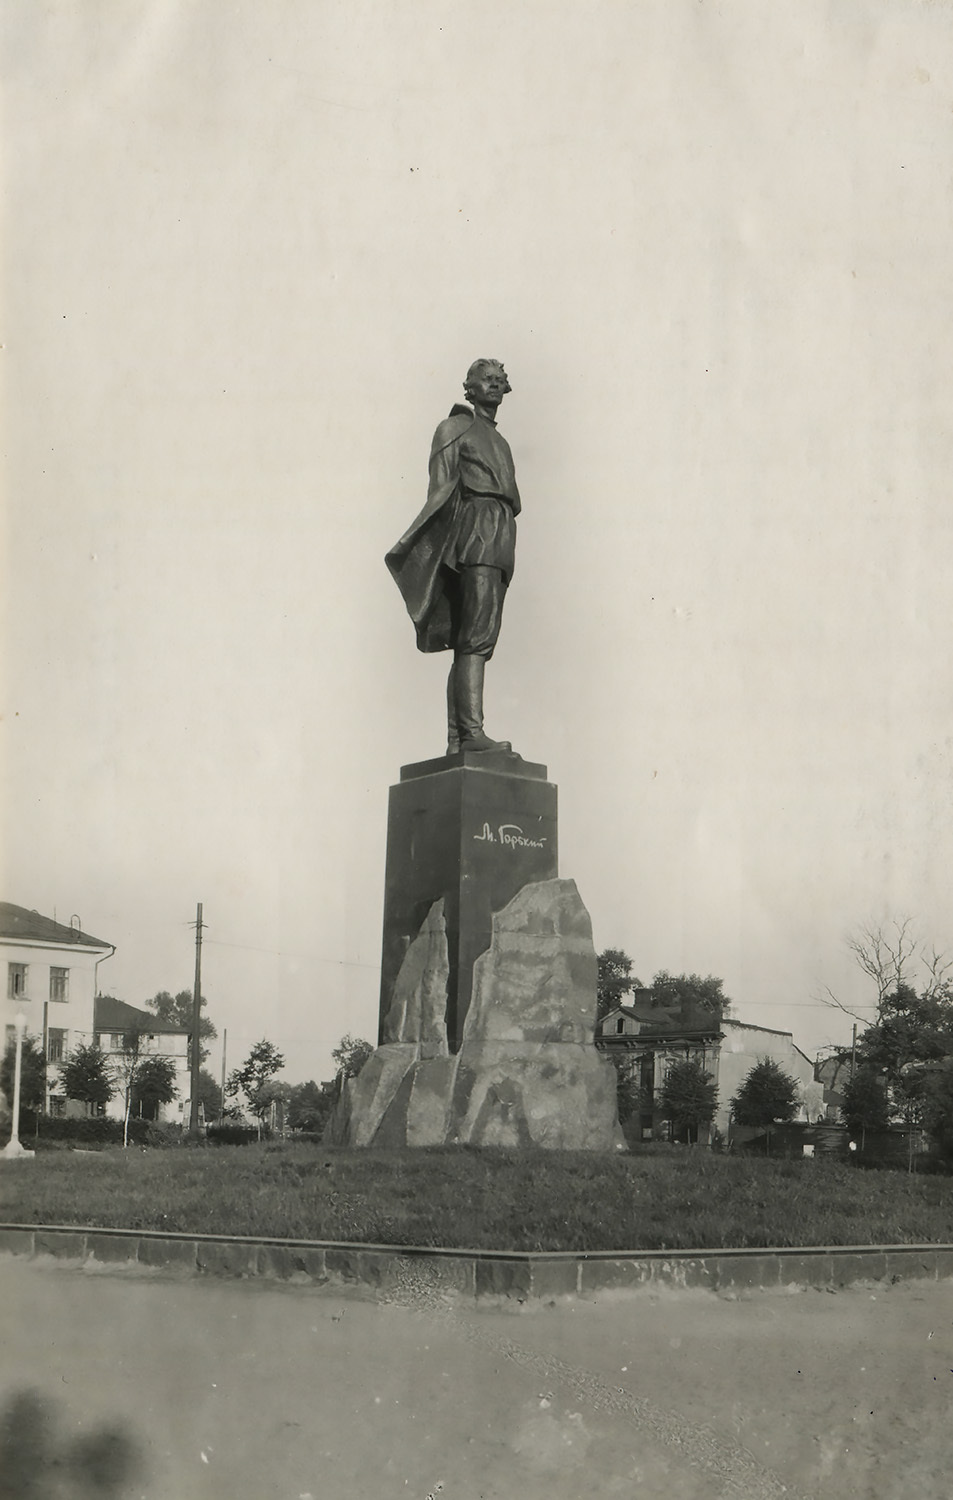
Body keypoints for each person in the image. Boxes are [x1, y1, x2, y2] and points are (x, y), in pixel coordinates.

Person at [385, 358, 520, 753]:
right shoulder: (455, 428)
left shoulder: (502, 442)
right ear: (470, 388)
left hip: (500, 535)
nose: (494, 386)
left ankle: (458, 740)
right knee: (475, 638)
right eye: (486, 380)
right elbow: (439, 493)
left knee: (475, 639)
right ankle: (471, 733)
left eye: (500, 381)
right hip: (474, 533)